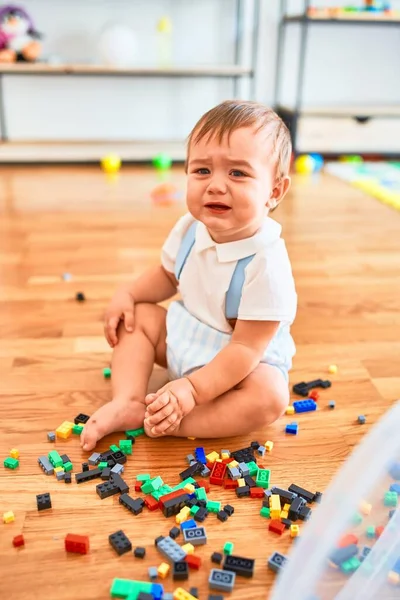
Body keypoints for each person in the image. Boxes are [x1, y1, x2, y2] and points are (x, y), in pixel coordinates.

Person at [81, 100, 297, 452]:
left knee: (270, 396)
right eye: (202, 171)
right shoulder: (189, 228)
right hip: (189, 335)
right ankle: (129, 401)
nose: (215, 185)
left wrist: (192, 391)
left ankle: (179, 423)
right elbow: (168, 275)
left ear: (274, 192)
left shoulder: (266, 263)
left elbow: (245, 348)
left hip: (241, 363)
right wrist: (129, 294)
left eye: (237, 173)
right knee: (134, 320)